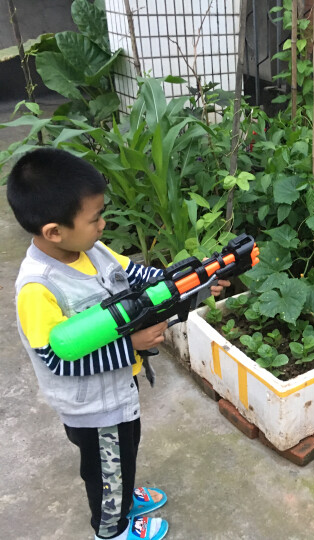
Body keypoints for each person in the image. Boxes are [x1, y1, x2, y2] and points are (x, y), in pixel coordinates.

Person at [7, 148, 230, 540]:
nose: (103, 224)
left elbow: (134, 274)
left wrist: (193, 280)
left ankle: (122, 495)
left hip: (119, 392)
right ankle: (113, 527)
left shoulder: (89, 248)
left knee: (124, 452)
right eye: (95, 218)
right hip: (92, 408)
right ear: (53, 232)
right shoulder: (37, 287)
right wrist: (131, 347)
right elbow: (56, 360)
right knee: (106, 467)